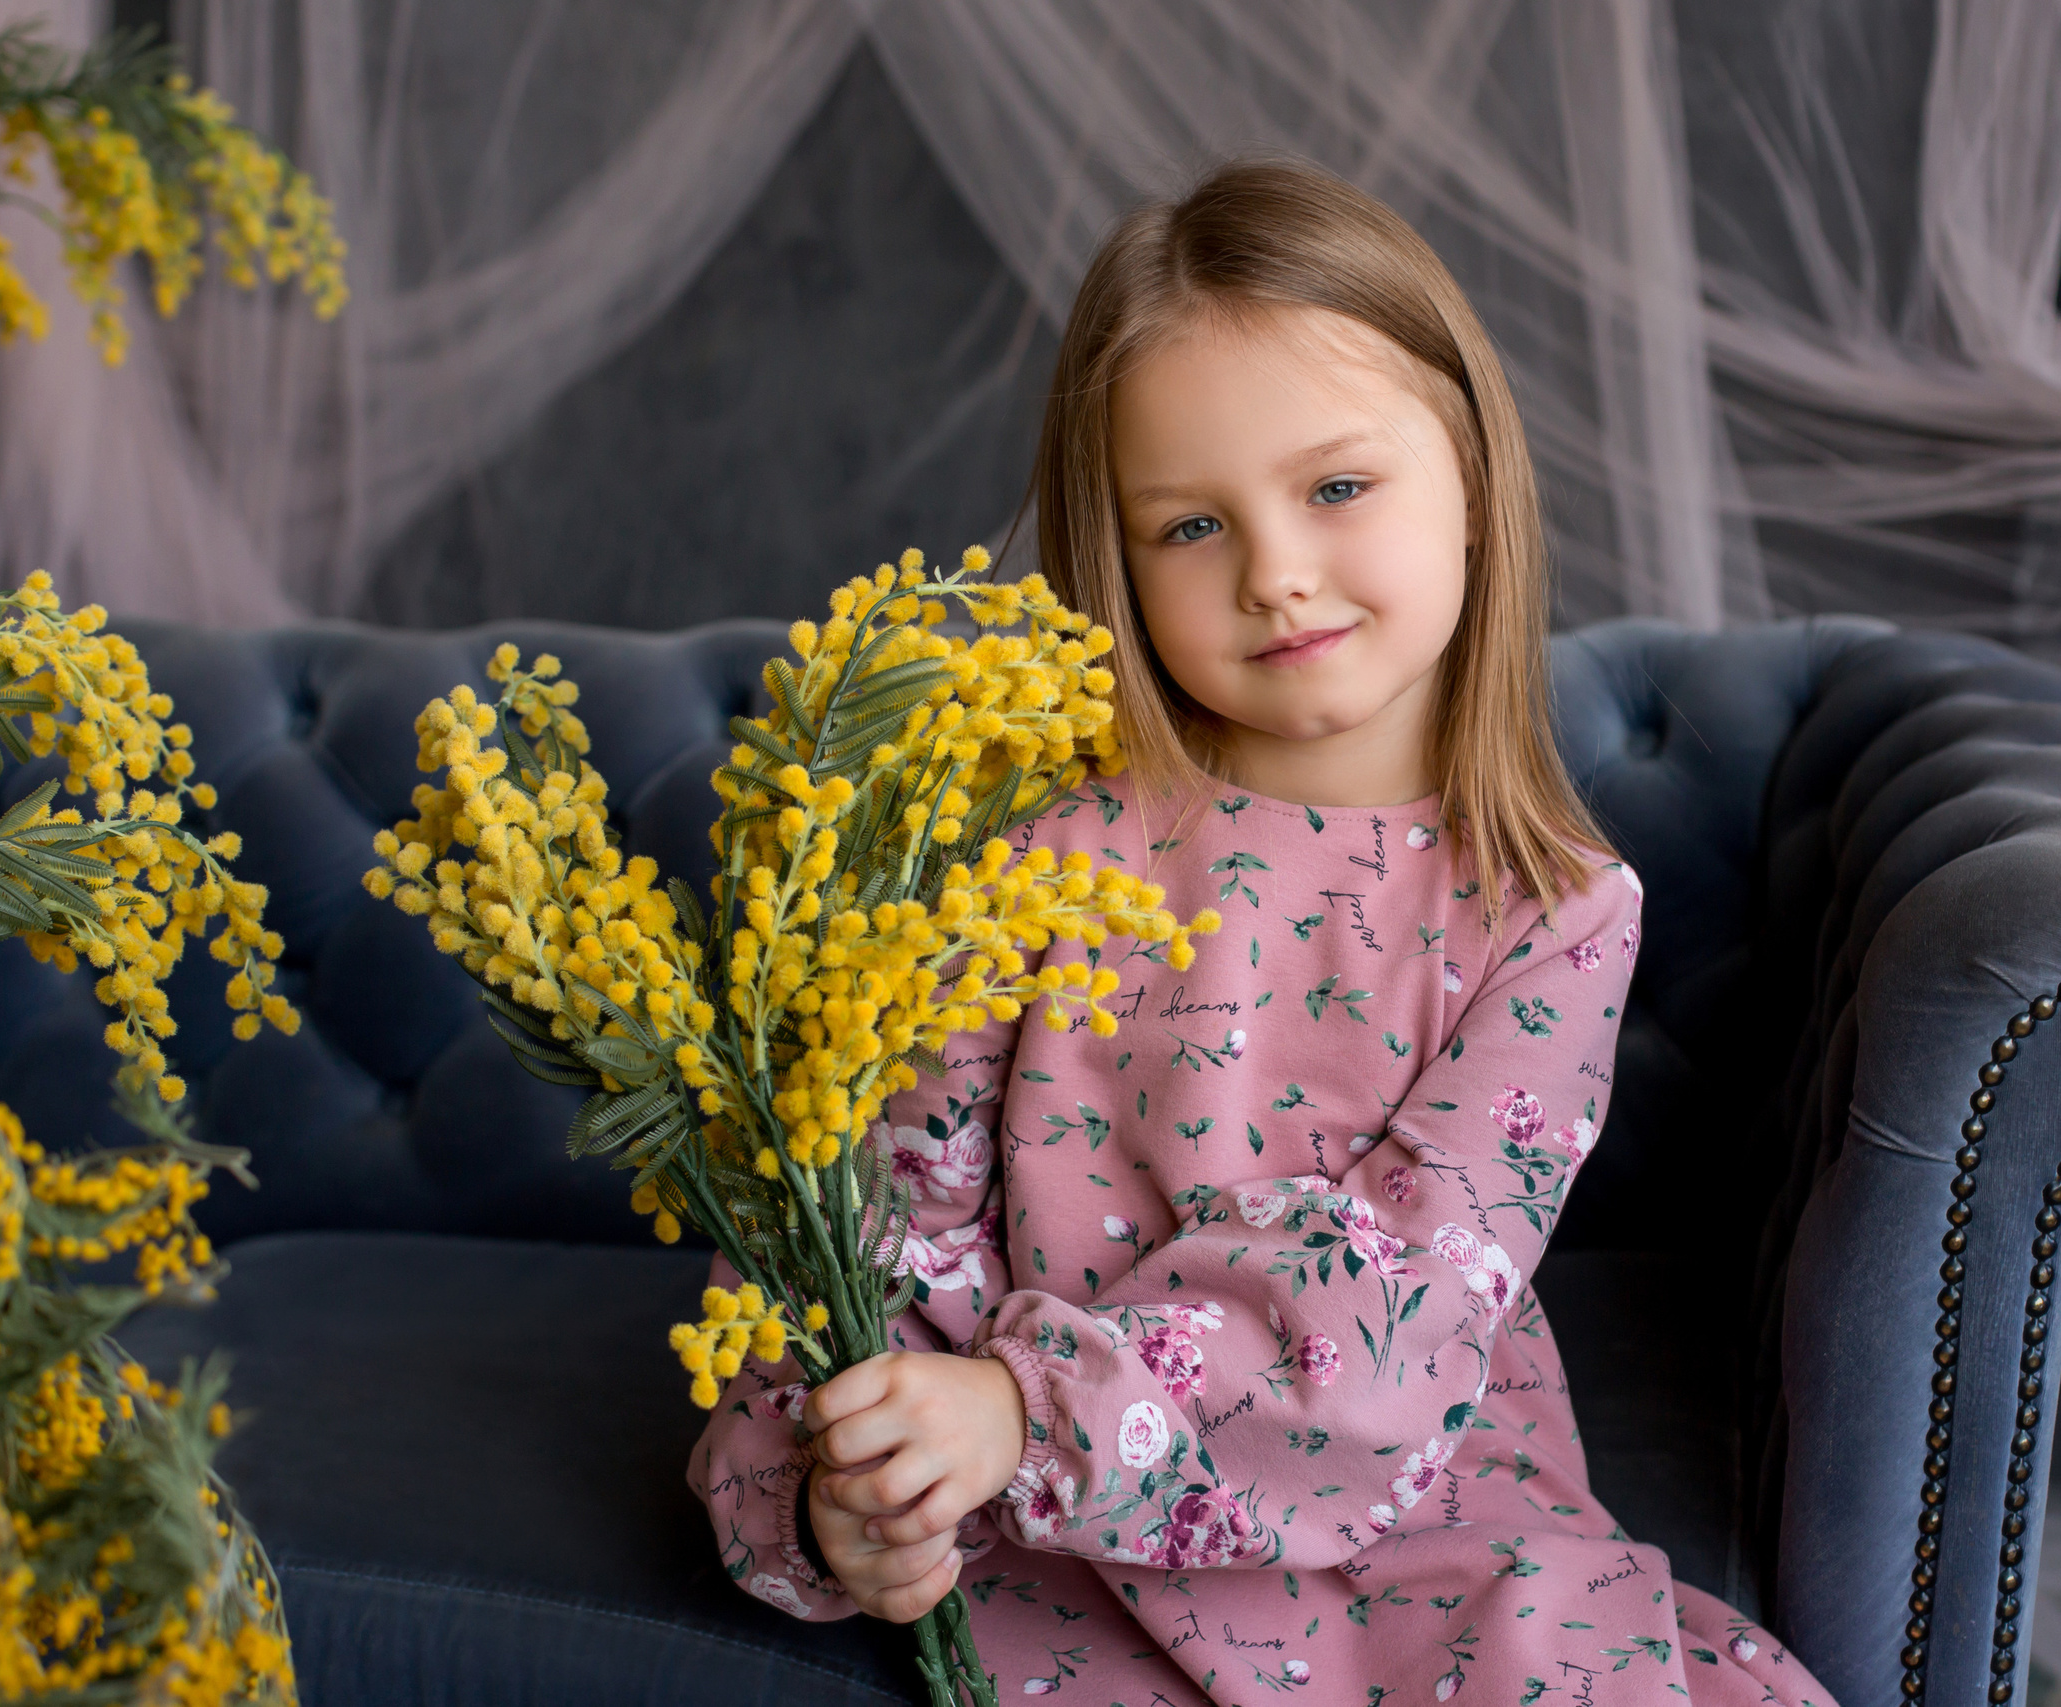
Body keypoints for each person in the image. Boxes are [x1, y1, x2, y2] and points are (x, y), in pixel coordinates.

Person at [691, 155, 1837, 1707]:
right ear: (1118, 557)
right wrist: (848, 1488)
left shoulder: (1554, 912)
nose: (1276, 573)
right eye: (1189, 529)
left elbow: (1403, 1294)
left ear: (1479, 485)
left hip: (1419, 1516)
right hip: (1056, 1548)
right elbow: (873, 1227)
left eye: (1338, 489)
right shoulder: (1042, 863)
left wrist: (1033, 1407)